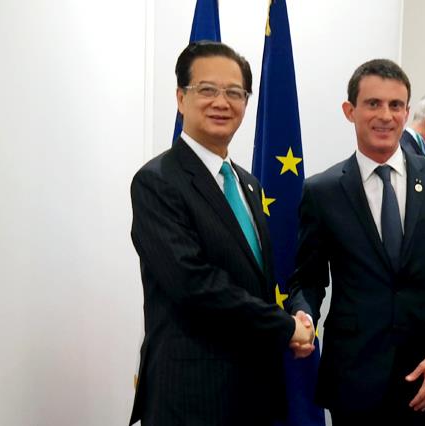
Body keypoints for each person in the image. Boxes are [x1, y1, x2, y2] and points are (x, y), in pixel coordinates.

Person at [287, 59, 425, 425]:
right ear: (350, 111)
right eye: (373, 103)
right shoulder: (322, 191)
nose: (385, 116)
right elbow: (308, 279)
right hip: (354, 379)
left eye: (395, 105)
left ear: (407, 113)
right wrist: (304, 314)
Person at [128, 41, 314, 426]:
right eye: (207, 90)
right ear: (181, 98)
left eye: (234, 92)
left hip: (254, 392)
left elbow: (254, 283)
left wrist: (295, 317)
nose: (221, 102)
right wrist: (284, 328)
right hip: (191, 396)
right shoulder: (157, 182)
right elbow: (193, 285)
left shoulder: (249, 185)